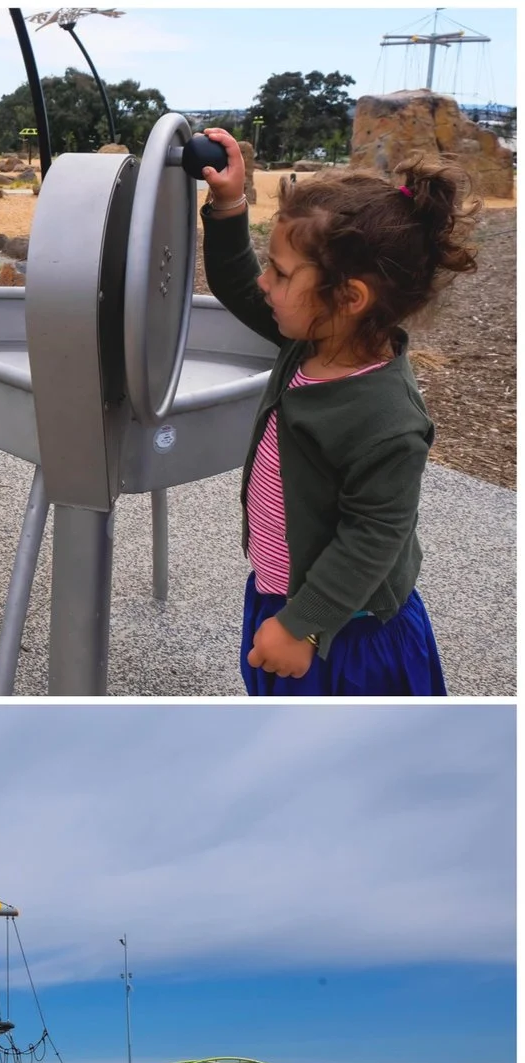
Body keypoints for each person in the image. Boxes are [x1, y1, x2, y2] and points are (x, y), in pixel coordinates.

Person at [198, 129, 476, 695]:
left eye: (280, 273)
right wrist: (228, 205)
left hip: (346, 633)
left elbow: (375, 533)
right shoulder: (312, 340)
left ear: (349, 298)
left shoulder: (387, 420)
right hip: (285, 599)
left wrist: (302, 624)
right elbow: (237, 284)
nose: (264, 281)